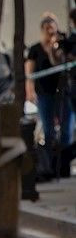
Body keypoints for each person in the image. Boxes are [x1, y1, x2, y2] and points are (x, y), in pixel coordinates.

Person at [26, 12, 73, 148]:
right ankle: (49, 156)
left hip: (63, 92)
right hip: (44, 93)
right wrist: (30, 91)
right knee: (48, 129)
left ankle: (65, 155)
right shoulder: (35, 49)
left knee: (66, 128)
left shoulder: (62, 46)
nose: (50, 32)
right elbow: (29, 71)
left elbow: (60, 62)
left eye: (52, 28)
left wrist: (55, 46)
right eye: (47, 28)